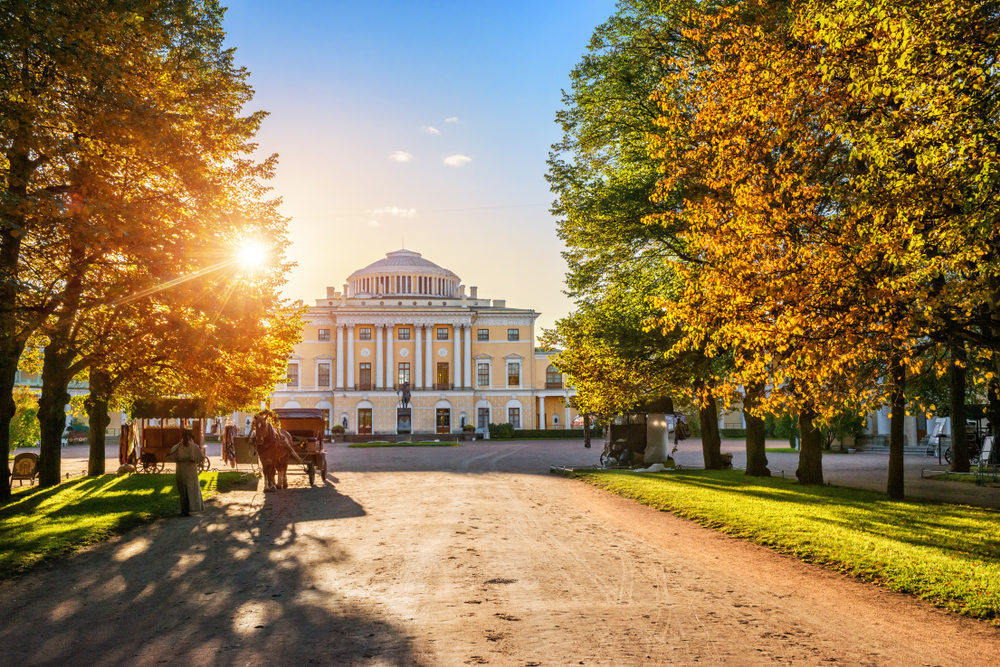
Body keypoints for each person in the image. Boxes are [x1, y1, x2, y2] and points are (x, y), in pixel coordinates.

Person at [168, 430, 204, 517]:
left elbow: (201, 458)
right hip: (181, 470)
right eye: (184, 436)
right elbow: (171, 457)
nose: (185, 439)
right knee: (183, 490)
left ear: (189, 437)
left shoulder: (194, 447)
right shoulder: (177, 447)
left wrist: (193, 459)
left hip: (191, 471)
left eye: (187, 437)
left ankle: (193, 508)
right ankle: (184, 508)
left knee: (192, 489)